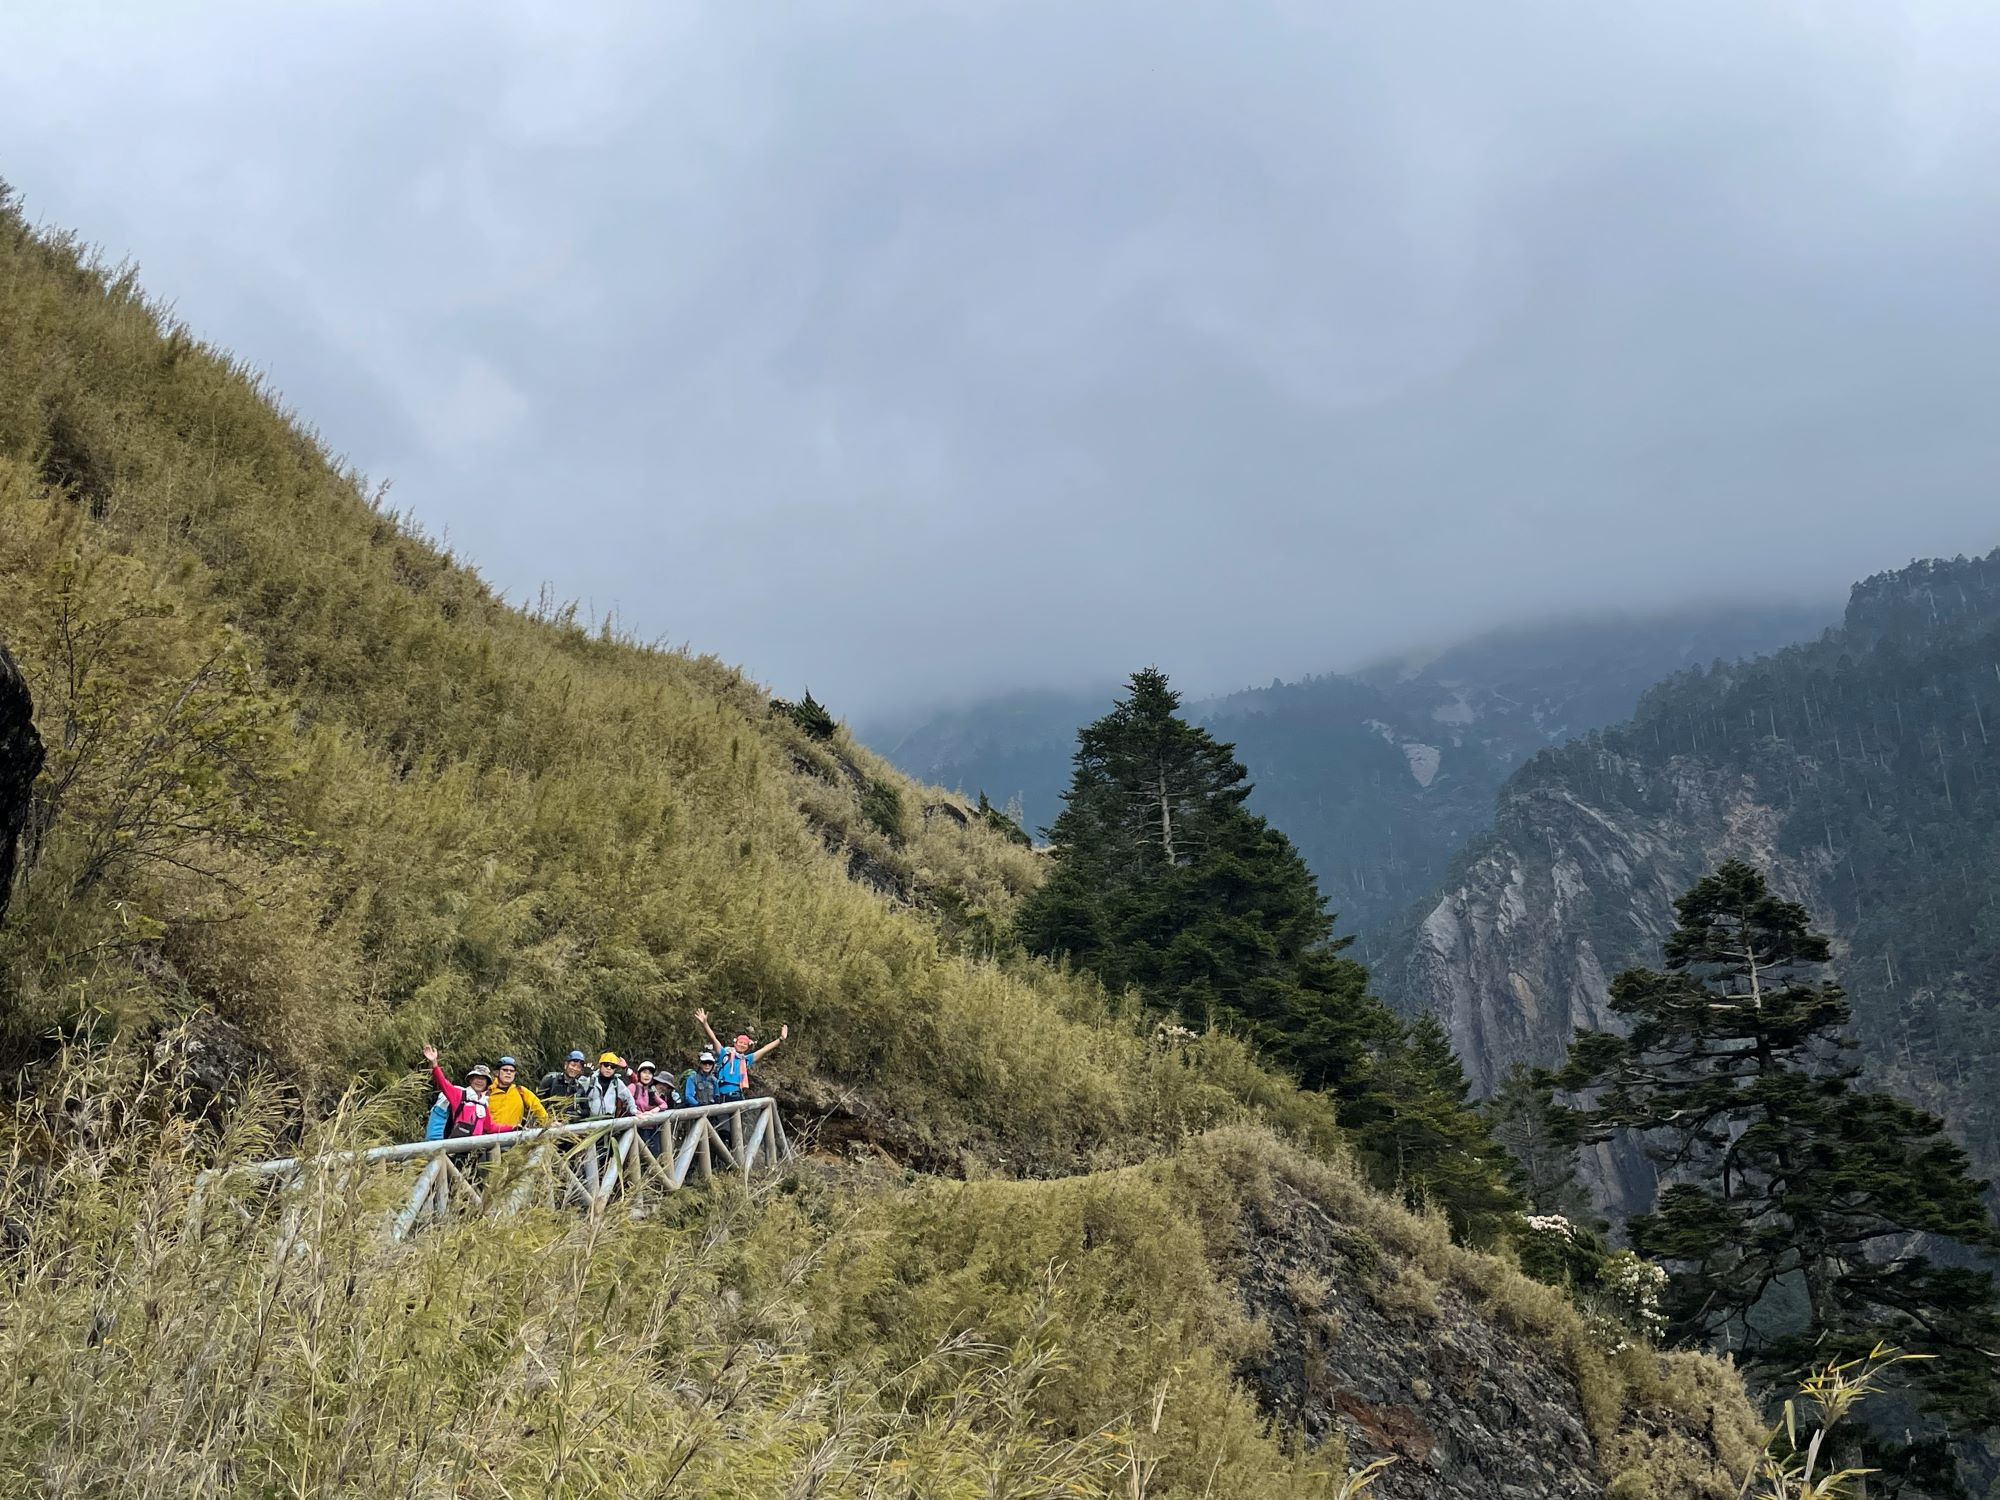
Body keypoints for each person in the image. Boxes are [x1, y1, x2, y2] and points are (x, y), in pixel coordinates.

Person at [694, 1008, 789, 1100]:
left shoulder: (746, 1059)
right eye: (740, 1042)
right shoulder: (724, 1054)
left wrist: (780, 1039)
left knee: (737, 1116)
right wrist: (705, 1024)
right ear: (735, 1044)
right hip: (721, 1095)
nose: (742, 1045)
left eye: (745, 1044)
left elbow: (765, 1049)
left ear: (747, 1047)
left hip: (737, 1095)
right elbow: (713, 1039)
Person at [421, 1046, 493, 1138]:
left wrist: (514, 1128)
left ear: (487, 1084)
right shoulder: (460, 1095)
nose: (479, 1081)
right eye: (476, 1078)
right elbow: (444, 1084)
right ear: (470, 1080)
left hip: (475, 1148)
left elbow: (490, 1127)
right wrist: (435, 1064)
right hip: (457, 1146)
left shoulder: (484, 1104)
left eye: (483, 1079)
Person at [483, 1055, 550, 1134]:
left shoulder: (521, 1091)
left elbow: (538, 1108)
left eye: (512, 1071)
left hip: (513, 1138)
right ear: (497, 1072)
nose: (508, 1073)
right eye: (505, 1070)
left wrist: (549, 1123)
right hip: (489, 1138)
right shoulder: (487, 1091)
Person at [630, 1060, 675, 1160]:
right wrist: (636, 1112)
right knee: (638, 1157)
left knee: (653, 1155)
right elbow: (627, 1102)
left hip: (651, 1127)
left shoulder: (649, 1092)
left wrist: (652, 1111)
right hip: (635, 1127)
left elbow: (664, 1105)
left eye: (649, 1073)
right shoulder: (633, 1087)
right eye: (644, 1072)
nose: (664, 1087)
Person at [540, 1049, 591, 1119]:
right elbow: (537, 1104)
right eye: (573, 1065)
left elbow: (587, 1111)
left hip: (567, 1125)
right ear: (566, 1065)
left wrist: (578, 1113)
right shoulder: (550, 1080)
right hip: (548, 1123)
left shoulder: (579, 1088)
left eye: (578, 1067)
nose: (575, 1069)